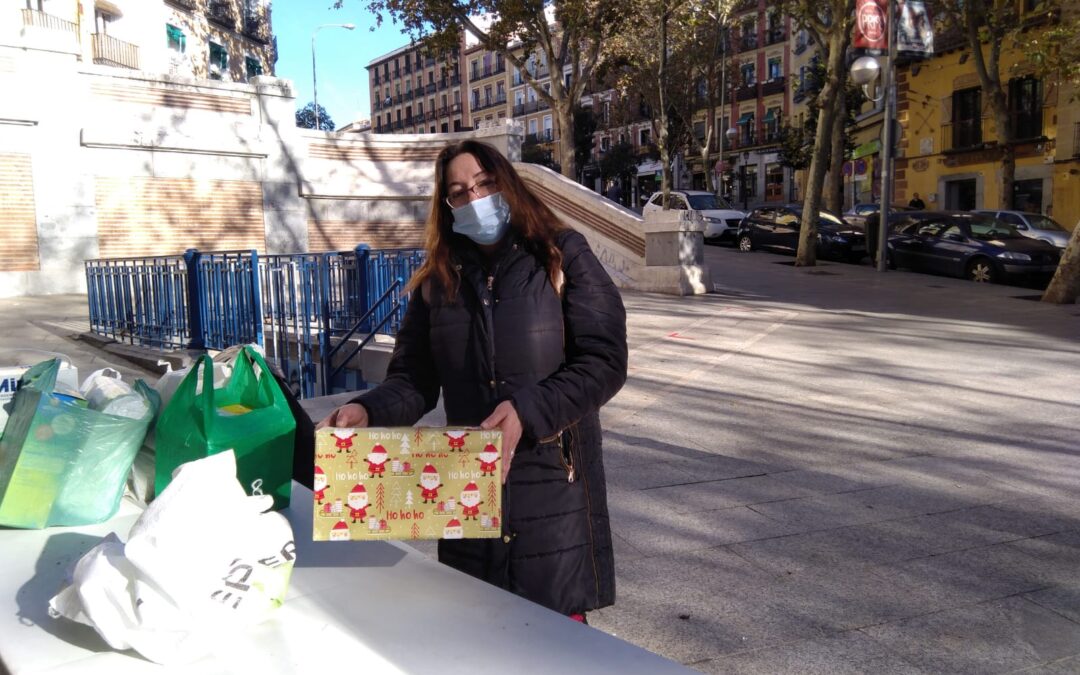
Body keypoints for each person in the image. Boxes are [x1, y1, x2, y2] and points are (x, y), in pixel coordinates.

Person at [317, 139, 628, 623]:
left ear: (506, 182)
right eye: (459, 192)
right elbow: (414, 380)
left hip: (550, 486)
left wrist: (529, 410)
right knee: (477, 636)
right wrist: (368, 410)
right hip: (465, 488)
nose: (475, 198)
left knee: (555, 642)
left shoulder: (562, 253)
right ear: (447, 206)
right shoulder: (436, 282)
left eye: (484, 183)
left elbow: (605, 360)